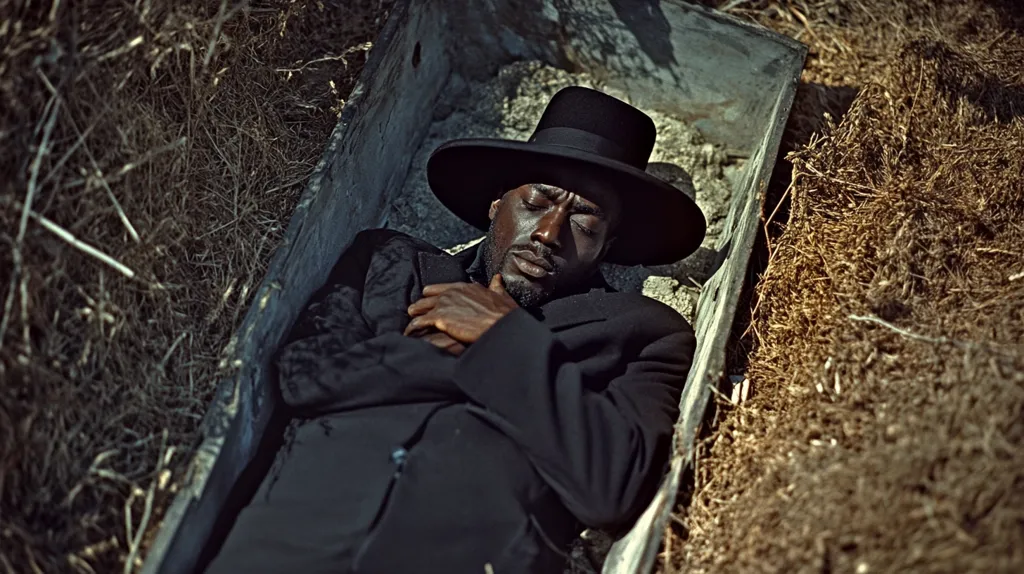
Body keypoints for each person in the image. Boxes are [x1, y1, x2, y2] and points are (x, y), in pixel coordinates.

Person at [205, 87, 707, 574]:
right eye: (536, 202)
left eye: (585, 223)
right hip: (284, 540)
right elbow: (305, 375)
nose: (551, 233)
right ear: (497, 203)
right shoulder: (390, 261)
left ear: (609, 245)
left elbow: (612, 488)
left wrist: (501, 338)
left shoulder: (643, 333)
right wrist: (486, 368)